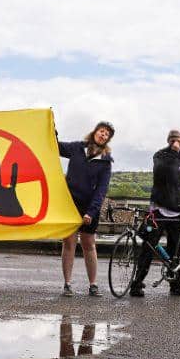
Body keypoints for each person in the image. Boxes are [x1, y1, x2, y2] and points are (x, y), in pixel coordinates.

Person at [131, 129, 180, 297]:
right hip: (159, 209)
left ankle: (176, 285)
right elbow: (161, 172)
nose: (175, 141)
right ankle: (137, 284)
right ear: (168, 141)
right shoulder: (159, 156)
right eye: (172, 139)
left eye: (178, 139)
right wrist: (172, 152)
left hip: (177, 211)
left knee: (176, 250)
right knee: (149, 247)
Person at [58, 121, 114, 297]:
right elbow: (56, 147)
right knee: (69, 243)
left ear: (107, 140)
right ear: (95, 132)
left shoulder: (105, 162)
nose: (103, 135)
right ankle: (67, 284)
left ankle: (93, 284)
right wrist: (52, 131)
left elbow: (101, 190)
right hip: (70, 204)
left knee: (88, 244)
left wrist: (91, 211)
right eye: (102, 131)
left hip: (90, 206)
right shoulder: (77, 148)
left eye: (107, 134)